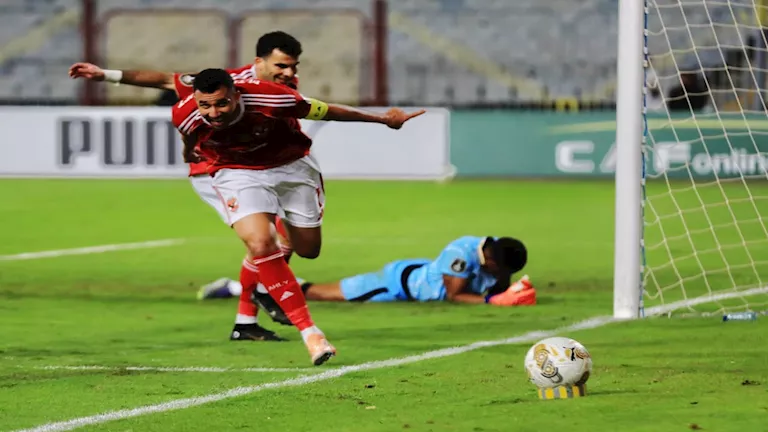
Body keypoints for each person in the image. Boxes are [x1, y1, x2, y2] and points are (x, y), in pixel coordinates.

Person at [68, 31, 314, 337]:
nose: (289, 73)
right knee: (265, 240)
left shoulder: (285, 86)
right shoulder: (226, 84)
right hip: (215, 170)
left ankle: (246, 322)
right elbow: (164, 80)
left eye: (293, 66)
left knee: (274, 238)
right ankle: (263, 295)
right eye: (281, 65)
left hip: (257, 167)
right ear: (259, 62)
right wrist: (105, 74)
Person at [173, 68, 424, 365]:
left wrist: (382, 119)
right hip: (237, 173)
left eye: (221, 104)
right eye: (205, 105)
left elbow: (328, 111)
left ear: (236, 95)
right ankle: (310, 332)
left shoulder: (273, 98)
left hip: (291, 169)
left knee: (307, 248)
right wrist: (189, 153)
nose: (213, 113)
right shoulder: (185, 113)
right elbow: (189, 134)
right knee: (260, 242)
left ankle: (264, 284)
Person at [296, 236, 535, 306]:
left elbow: (500, 285)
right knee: (331, 294)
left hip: (423, 273)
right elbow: (455, 295)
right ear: (492, 264)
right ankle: (288, 288)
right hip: (398, 283)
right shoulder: (461, 255)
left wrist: (514, 292)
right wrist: (493, 301)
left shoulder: (498, 251)